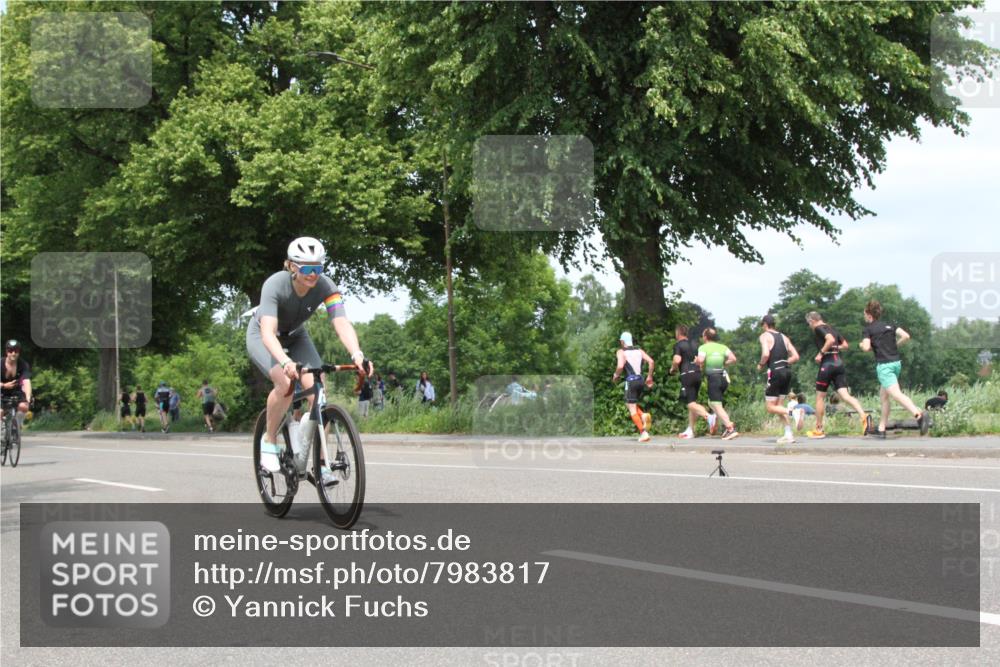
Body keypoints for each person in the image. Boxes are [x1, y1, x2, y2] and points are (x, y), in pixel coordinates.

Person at [246, 236, 372, 483]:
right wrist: (285, 362)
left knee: (318, 391)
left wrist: (357, 354)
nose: (313, 275)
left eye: (318, 268)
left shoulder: (326, 286)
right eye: (306, 268)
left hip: (296, 335)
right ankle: (269, 440)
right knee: (285, 382)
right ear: (291, 266)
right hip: (263, 335)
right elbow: (268, 333)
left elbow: (341, 322)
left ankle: (321, 464)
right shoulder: (275, 284)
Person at [859, 299, 927, 437]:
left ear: (869, 314)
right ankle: (882, 429)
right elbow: (906, 336)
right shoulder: (890, 324)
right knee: (884, 396)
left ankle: (918, 415)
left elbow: (866, 348)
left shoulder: (868, 329)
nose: (864, 317)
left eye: (864, 314)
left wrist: (861, 345)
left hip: (884, 366)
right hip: (896, 363)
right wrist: (895, 344)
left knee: (896, 394)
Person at [804, 311, 868, 439]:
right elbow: (845, 345)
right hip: (838, 363)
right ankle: (864, 416)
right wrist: (833, 348)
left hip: (827, 364)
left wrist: (821, 353)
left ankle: (819, 429)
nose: (809, 326)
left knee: (820, 398)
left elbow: (830, 339)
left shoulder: (818, 328)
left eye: (808, 324)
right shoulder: (832, 328)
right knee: (845, 396)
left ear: (812, 321)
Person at [757, 314, 802, 444]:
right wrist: (783, 362)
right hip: (787, 370)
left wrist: (761, 364)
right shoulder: (784, 337)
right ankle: (788, 434)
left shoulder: (765, 336)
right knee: (779, 406)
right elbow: (796, 356)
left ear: (765, 324)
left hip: (775, 371)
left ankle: (795, 412)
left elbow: (765, 354)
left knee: (770, 407)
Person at [669, 324, 713, 439]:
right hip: (697, 374)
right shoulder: (695, 344)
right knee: (692, 401)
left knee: (690, 403)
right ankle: (691, 430)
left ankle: (709, 417)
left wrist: (673, 368)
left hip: (686, 374)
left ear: (678, 333)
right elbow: (700, 360)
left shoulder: (678, 345)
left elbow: (677, 359)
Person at [696, 328, 739, 440]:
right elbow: (733, 359)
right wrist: (724, 363)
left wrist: (696, 361)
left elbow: (700, 360)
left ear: (705, 337)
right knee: (711, 403)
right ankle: (727, 427)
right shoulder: (722, 347)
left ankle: (730, 428)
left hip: (713, 378)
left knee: (716, 405)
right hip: (723, 378)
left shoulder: (703, 347)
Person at [612, 331, 654, 443]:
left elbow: (620, 366)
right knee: (630, 403)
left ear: (622, 341)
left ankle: (643, 433)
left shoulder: (621, 352)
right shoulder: (639, 350)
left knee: (631, 409)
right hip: (640, 380)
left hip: (631, 381)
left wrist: (616, 375)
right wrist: (649, 377)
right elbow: (651, 361)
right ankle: (643, 415)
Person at [1, 340, 33, 430]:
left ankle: (16, 427)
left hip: (16, 391)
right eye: (10, 351)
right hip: (1, 391)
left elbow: (26, 381)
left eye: (16, 351)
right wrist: (4, 385)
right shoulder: (0, 363)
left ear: (19, 352)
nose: (13, 353)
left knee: (24, 406)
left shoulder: (23, 364)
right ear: (6, 352)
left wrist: (28, 397)